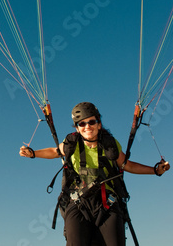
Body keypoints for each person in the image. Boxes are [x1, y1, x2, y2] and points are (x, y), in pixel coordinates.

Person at [19, 102, 170, 246]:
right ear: (77, 128)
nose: (87, 127)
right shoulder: (71, 143)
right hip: (78, 202)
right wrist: (33, 153)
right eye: (82, 124)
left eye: (91, 122)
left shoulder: (110, 145)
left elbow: (128, 165)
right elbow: (54, 151)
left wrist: (155, 170)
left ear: (99, 124)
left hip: (107, 203)